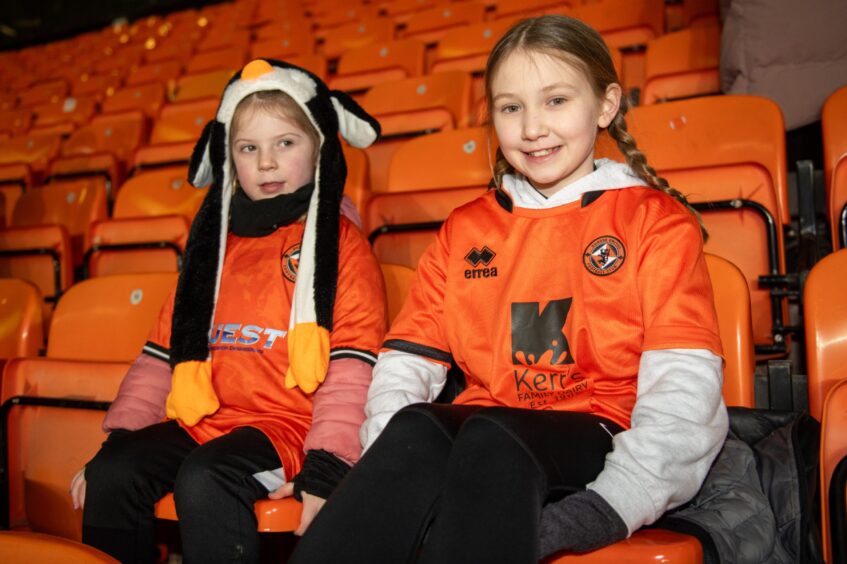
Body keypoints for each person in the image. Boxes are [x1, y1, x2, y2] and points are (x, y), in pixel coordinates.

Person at [289, 15, 728, 564]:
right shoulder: (467, 227)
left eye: (556, 101)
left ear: (607, 105)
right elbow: (405, 361)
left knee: (493, 434)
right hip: (485, 444)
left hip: (601, 435)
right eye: (511, 107)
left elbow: (685, 391)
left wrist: (606, 506)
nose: (532, 128)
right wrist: (391, 474)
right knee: (418, 423)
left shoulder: (655, 222)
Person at [70, 59, 387, 563]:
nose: (266, 163)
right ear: (228, 158)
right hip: (203, 419)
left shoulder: (342, 247)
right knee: (114, 471)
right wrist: (120, 440)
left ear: (320, 147)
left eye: (285, 143)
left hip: (286, 429)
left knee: (206, 476)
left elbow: (353, 369)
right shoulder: (211, 249)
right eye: (248, 148)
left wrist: (328, 466)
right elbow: (159, 359)